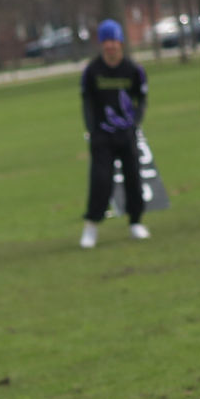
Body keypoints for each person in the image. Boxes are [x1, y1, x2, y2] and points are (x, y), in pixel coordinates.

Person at [78, 19, 150, 249]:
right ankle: (91, 225)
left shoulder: (133, 69)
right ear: (101, 44)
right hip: (102, 136)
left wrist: (135, 122)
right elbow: (87, 102)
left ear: (120, 42)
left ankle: (135, 222)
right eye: (106, 41)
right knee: (101, 181)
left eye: (114, 40)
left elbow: (142, 99)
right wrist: (92, 129)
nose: (110, 45)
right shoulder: (92, 71)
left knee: (134, 178)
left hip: (126, 134)